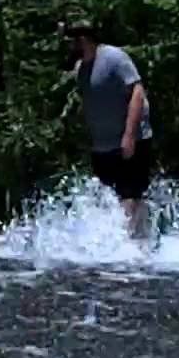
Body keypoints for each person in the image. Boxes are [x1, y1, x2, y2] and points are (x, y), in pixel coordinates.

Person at [65, 19, 155, 239]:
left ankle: (132, 245)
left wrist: (129, 135)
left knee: (130, 195)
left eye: (72, 41)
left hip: (131, 140)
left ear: (83, 40)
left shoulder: (114, 58)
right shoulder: (82, 69)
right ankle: (127, 242)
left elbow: (137, 92)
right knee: (109, 199)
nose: (69, 46)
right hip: (102, 146)